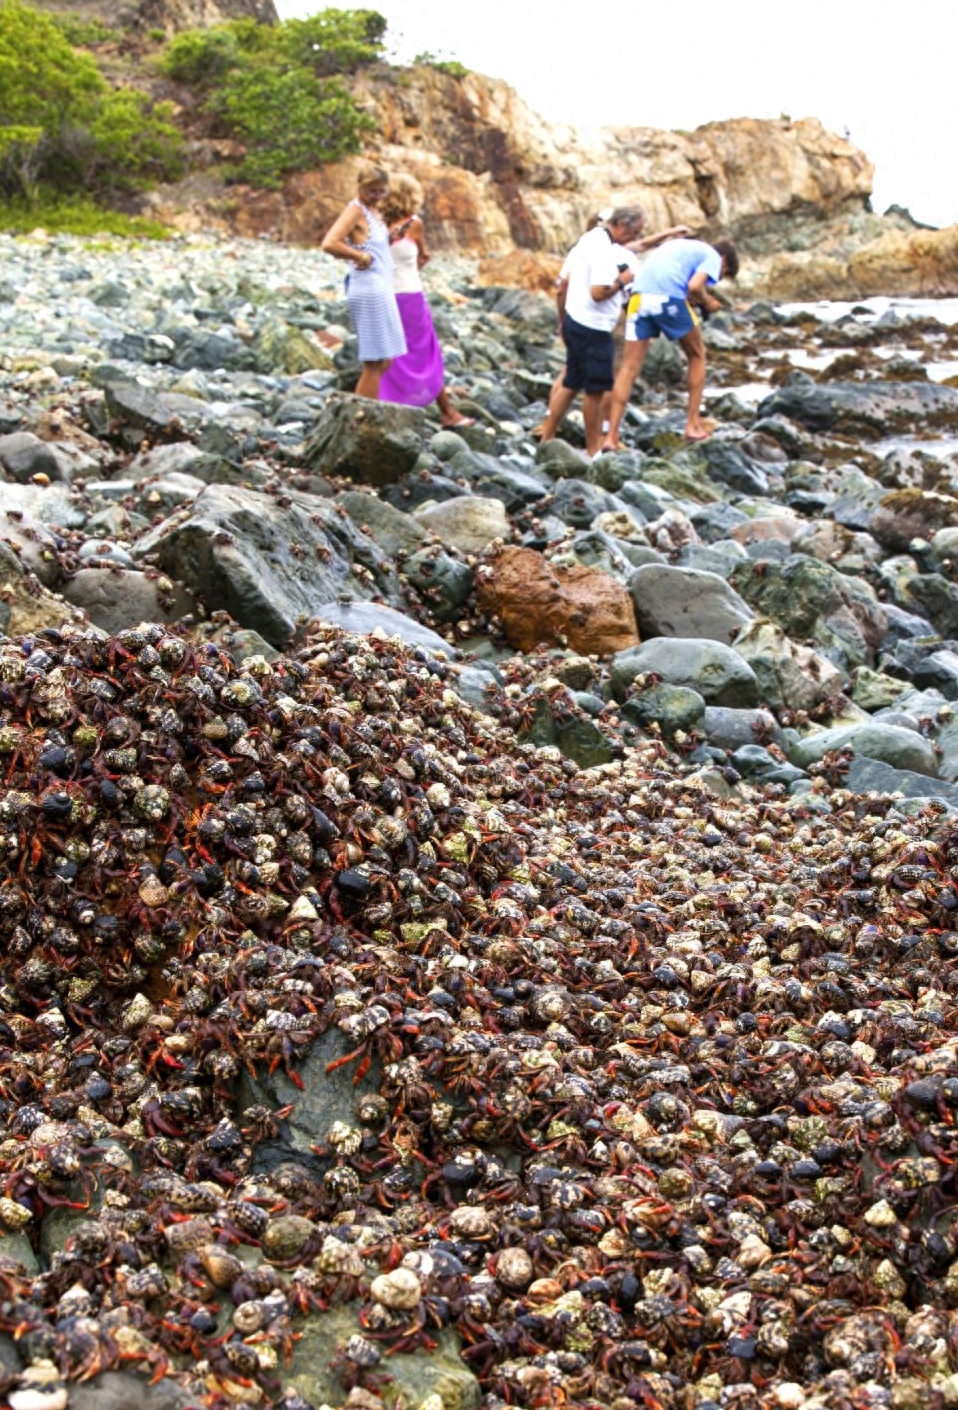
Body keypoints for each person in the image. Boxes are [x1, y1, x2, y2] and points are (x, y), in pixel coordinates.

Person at [536, 208, 691, 455]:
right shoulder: (604, 251)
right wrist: (623, 280)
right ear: (621, 226)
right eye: (633, 232)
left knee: (570, 381)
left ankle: (547, 437)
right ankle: (592, 450)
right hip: (594, 326)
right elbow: (598, 293)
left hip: (575, 319)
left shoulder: (589, 239)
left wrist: (563, 320)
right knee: (596, 391)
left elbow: (563, 285)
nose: (633, 238)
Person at [601, 236, 739, 449]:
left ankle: (611, 437)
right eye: (724, 274)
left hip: (638, 299)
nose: (719, 278)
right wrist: (708, 301)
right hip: (666, 299)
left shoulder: (681, 247)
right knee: (697, 355)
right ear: (724, 261)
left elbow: (673, 279)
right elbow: (694, 287)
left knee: (628, 369)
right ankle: (693, 425)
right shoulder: (712, 255)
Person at [377, 173, 475, 428]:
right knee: (426, 352)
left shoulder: (377, 226)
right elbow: (422, 256)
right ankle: (447, 411)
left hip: (387, 296)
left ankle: (391, 406)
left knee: (392, 355)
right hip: (410, 295)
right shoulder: (413, 224)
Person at [321, 162, 407, 400]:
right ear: (360, 187)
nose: (377, 196)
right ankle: (362, 412)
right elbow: (330, 243)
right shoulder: (355, 210)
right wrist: (358, 255)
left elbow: (371, 243)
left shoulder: (374, 212)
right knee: (375, 359)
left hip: (382, 285)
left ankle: (363, 405)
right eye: (372, 191)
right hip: (368, 287)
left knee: (386, 358)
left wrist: (390, 238)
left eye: (381, 191)